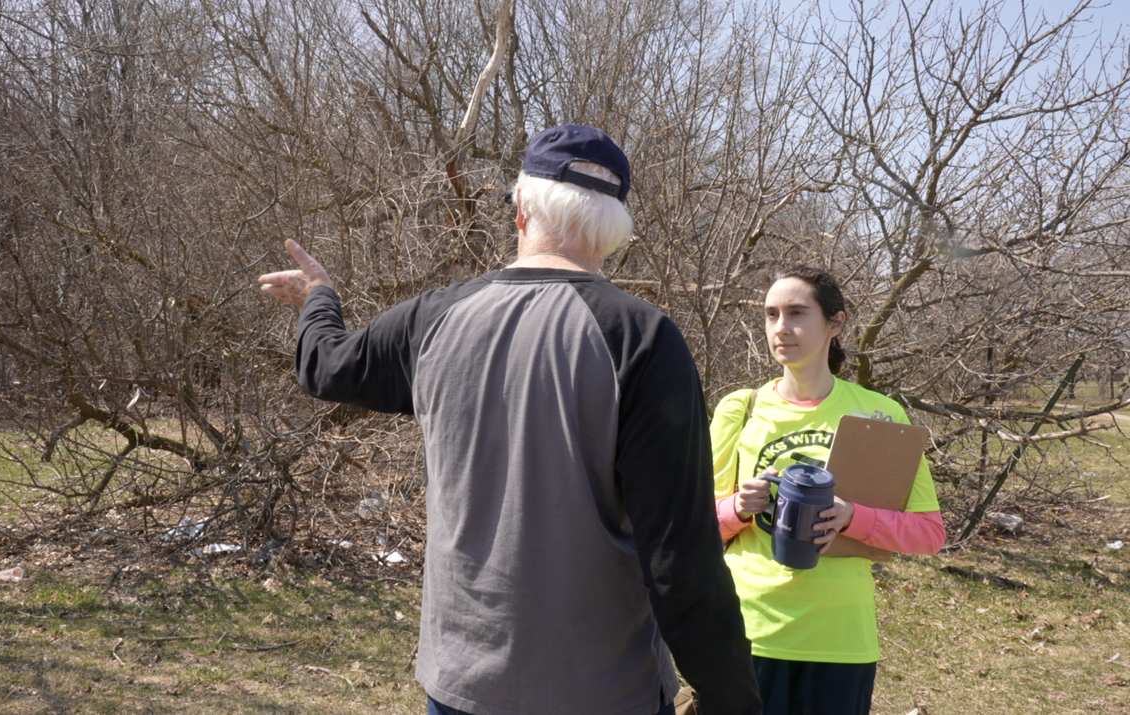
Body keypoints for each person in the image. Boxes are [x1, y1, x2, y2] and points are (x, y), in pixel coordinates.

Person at [259, 125, 761, 715]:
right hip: (602, 692)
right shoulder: (642, 340)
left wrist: (319, 295)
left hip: (461, 687)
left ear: (521, 208)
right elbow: (681, 558)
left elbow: (327, 365)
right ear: (614, 228)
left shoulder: (434, 319)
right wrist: (734, 699)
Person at [711, 265, 945, 715]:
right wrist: (737, 509)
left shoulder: (878, 415)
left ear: (835, 323)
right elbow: (694, 528)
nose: (782, 328)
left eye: (797, 313)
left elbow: (929, 534)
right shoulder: (740, 410)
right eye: (771, 314)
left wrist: (853, 516)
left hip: (840, 641)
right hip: (749, 633)